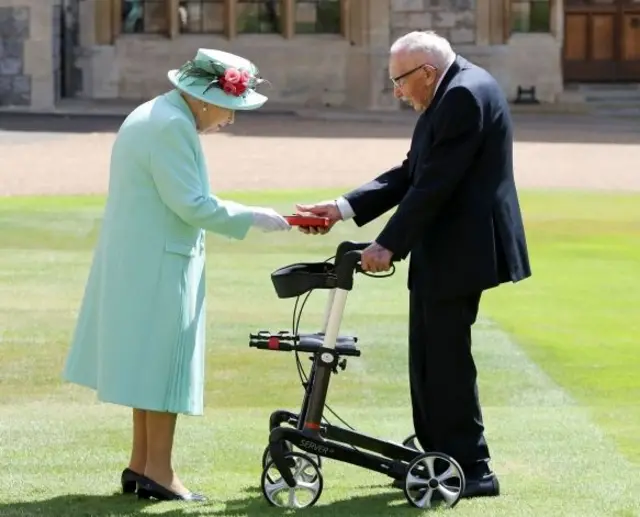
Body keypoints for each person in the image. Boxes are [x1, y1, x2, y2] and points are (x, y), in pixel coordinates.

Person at [296, 31, 531, 500]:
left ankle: (472, 466)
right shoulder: (446, 92)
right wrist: (341, 207)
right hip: (443, 245)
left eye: (400, 82)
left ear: (426, 72)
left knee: (445, 359)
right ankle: (438, 448)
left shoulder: (463, 95)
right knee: (427, 354)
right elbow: (411, 172)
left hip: (464, 248)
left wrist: (387, 244)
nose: (397, 92)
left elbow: (435, 185)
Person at [62, 49, 291, 502]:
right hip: (161, 263)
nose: (230, 119)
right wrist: (253, 217)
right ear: (205, 98)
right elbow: (190, 203)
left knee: (150, 366)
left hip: (142, 259)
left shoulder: (154, 113)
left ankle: (142, 464)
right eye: (231, 108)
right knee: (165, 368)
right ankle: (160, 473)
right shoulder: (171, 125)